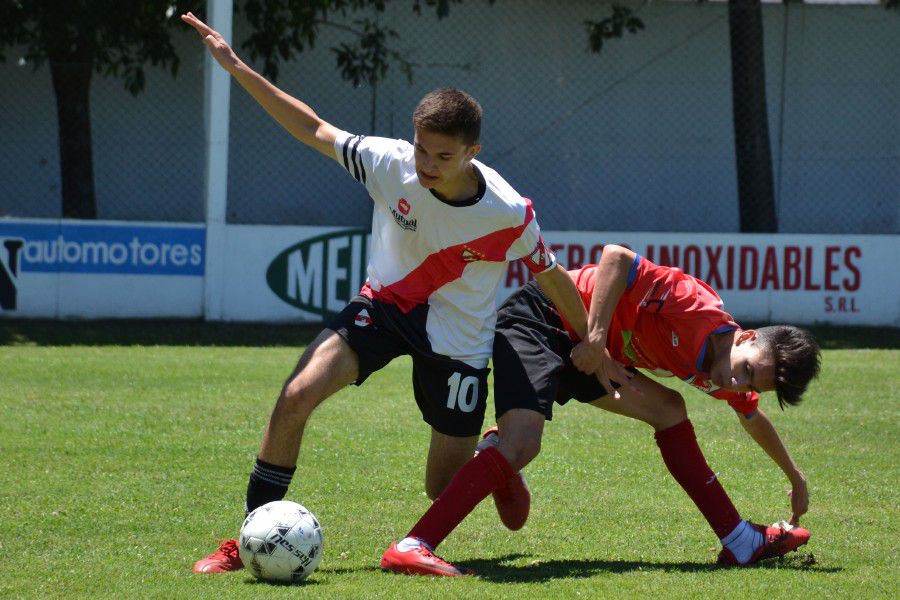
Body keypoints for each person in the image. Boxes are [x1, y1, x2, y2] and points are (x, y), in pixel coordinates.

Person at [180, 12, 599, 574]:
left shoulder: (509, 211)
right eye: (422, 149)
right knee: (296, 396)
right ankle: (250, 537)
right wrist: (236, 68)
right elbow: (311, 128)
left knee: (441, 487)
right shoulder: (389, 162)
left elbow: (552, 278)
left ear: (472, 151)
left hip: (458, 341)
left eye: (443, 156)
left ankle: (493, 460)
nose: (427, 165)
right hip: (383, 308)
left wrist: (592, 337)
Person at [381, 244, 821, 576]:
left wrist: (795, 476)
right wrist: (594, 338)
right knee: (524, 444)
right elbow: (617, 257)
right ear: (745, 338)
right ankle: (413, 544)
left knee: (669, 409)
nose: (736, 384)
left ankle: (739, 541)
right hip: (544, 315)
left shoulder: (729, 372)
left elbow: (751, 416)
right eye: (745, 371)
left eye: (750, 383)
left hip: (594, 351)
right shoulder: (695, 307)